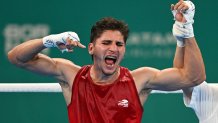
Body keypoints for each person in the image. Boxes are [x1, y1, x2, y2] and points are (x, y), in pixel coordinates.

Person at [7, 0, 205, 123]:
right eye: (107, 42)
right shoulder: (72, 75)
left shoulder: (139, 80)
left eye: (119, 44)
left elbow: (193, 77)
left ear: (124, 50)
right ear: (91, 48)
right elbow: (16, 58)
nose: (113, 48)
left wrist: (186, 29)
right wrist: (48, 40)